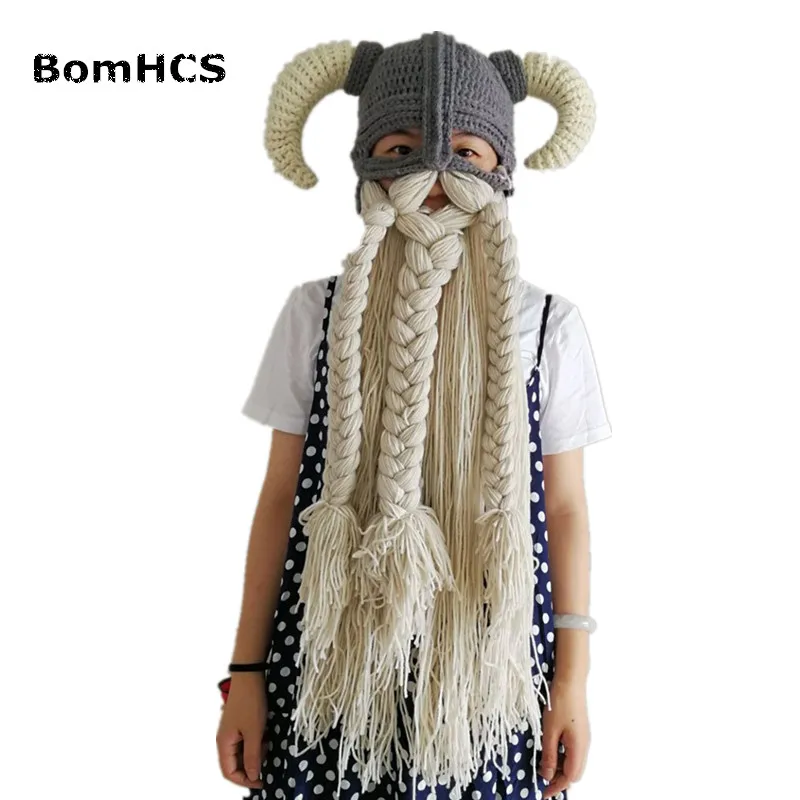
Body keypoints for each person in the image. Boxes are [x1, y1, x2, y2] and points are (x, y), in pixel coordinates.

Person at [216, 32, 612, 800]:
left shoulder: (545, 325)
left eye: (465, 151)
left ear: (501, 167)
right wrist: (245, 672)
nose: (434, 174)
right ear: (366, 160)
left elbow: (564, 510)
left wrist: (572, 682)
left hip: (486, 665)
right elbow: (279, 498)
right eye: (401, 148)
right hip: (333, 655)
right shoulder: (317, 313)